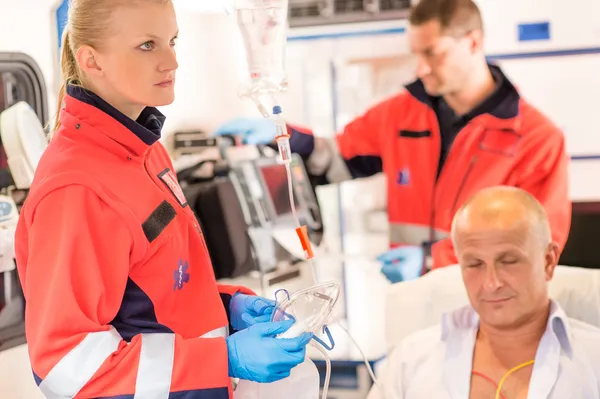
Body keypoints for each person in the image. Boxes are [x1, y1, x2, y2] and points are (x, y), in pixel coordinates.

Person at [14, 1, 312, 398]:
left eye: (172, 41)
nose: (171, 60)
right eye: (147, 45)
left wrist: (227, 310)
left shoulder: (144, 149)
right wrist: (224, 358)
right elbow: (68, 367)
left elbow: (148, 294)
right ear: (91, 61)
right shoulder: (77, 189)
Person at [213, 0, 571, 284]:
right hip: (411, 297)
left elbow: (540, 243)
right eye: (416, 53)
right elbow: (336, 158)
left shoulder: (537, 140)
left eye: (433, 53)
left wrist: (432, 259)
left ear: (473, 42)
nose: (421, 68)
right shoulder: (400, 114)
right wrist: (285, 136)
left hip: (491, 299)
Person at [366, 186, 600, 399]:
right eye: (475, 264)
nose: (491, 283)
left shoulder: (593, 359)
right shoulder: (411, 359)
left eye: (509, 261)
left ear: (548, 261)